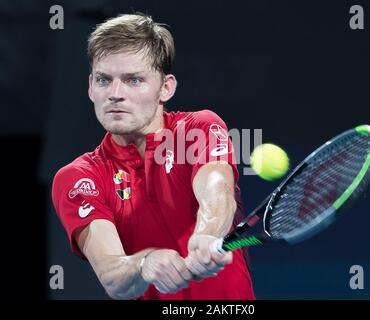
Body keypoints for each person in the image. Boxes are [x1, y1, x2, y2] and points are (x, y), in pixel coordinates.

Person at [52, 13, 255, 300]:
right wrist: (144, 264)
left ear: (166, 87)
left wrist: (208, 233)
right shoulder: (79, 177)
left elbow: (216, 187)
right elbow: (113, 275)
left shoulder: (197, 129)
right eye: (103, 80)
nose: (115, 94)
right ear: (90, 87)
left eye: (133, 80)